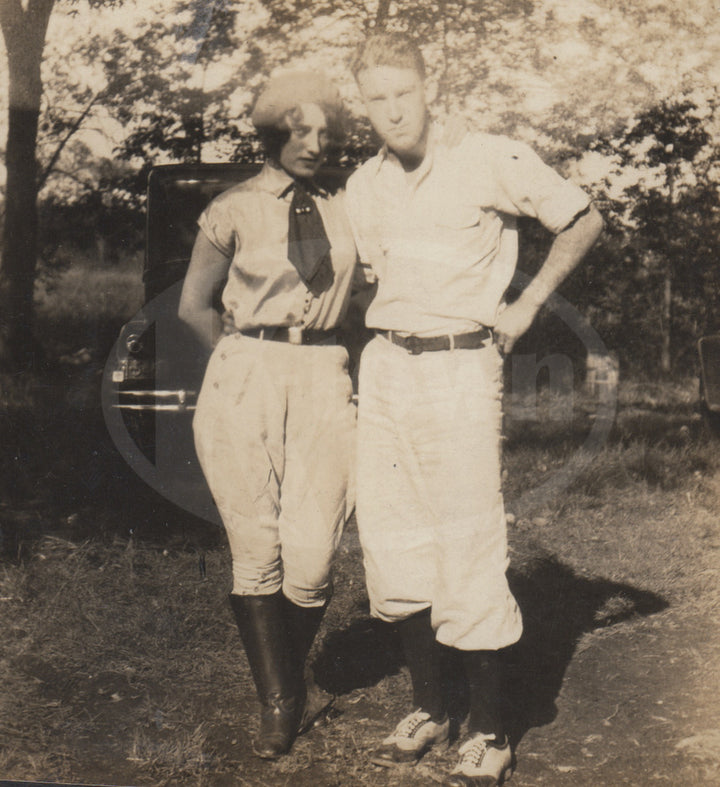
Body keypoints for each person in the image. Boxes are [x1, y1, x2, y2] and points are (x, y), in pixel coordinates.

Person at [344, 32, 604, 786]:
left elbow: (582, 219)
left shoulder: (488, 155)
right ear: (364, 105)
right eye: (376, 99)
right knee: (394, 538)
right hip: (386, 365)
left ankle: (490, 727)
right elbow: (358, 279)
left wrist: (524, 305)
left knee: (467, 538)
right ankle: (431, 705)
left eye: (403, 93)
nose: (393, 111)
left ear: (431, 88)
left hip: (460, 365)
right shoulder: (366, 184)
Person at [178, 70, 358, 759]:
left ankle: (284, 672)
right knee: (255, 548)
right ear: (273, 131)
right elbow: (195, 303)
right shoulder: (233, 208)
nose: (314, 142)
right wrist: (236, 363)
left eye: (324, 131)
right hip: (246, 370)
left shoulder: (345, 208)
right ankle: (280, 698)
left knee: (312, 556)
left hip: (322, 370)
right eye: (300, 128)